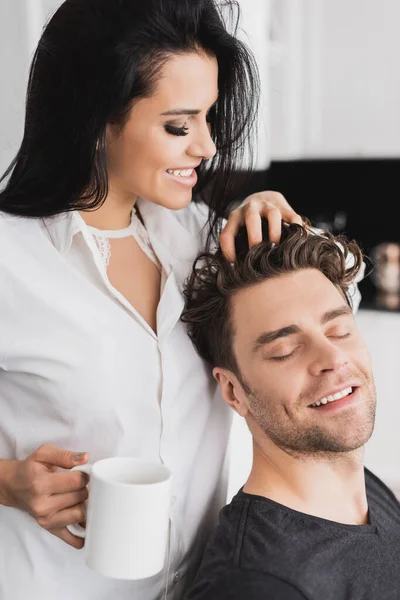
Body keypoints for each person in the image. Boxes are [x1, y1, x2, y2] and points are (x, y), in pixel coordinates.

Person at [0, 1, 306, 599]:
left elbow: (333, 309)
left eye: (209, 118)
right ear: (97, 118)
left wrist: (279, 225)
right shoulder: (10, 258)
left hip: (197, 586)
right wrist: (7, 481)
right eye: (179, 125)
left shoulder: (202, 238)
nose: (207, 146)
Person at [181, 222, 400, 600]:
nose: (332, 358)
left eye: (339, 331)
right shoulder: (255, 585)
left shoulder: (364, 490)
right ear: (233, 390)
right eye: (285, 351)